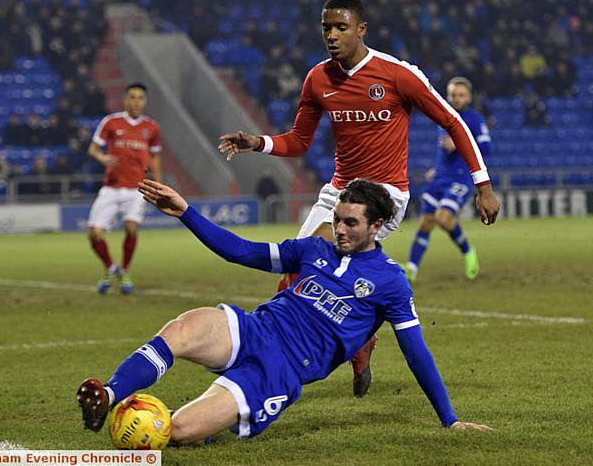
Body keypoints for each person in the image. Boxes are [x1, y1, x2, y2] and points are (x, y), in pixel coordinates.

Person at [217, 0, 500, 397]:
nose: (332, 35)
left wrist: (483, 185)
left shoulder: (398, 75)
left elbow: (453, 122)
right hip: (339, 191)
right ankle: (357, 345)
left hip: (384, 194)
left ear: (361, 29)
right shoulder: (318, 78)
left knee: (323, 264)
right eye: (326, 28)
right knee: (291, 278)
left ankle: (273, 374)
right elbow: (298, 141)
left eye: (341, 28)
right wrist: (257, 142)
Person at [76, 178, 492, 445]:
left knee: (179, 430)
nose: (340, 229)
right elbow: (240, 251)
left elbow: (416, 353)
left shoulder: (391, 281)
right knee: (183, 328)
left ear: (377, 226)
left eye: (350, 223)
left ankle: (187, 421)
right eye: (337, 219)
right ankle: (109, 395)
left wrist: (450, 419)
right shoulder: (311, 249)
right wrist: (186, 211)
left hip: (280, 371)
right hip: (255, 329)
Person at [404, 77, 491, 283]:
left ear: (469, 97)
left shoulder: (475, 119)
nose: (457, 99)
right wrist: (436, 169)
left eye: (461, 95)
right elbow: (444, 150)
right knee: (425, 222)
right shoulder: (443, 115)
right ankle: (412, 268)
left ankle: (468, 251)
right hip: (440, 177)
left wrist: (460, 144)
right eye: (453, 95)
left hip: (460, 179)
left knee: (444, 218)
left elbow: (486, 149)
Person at [86, 83, 162, 294]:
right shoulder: (111, 122)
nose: (136, 101)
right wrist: (102, 158)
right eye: (132, 97)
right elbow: (92, 149)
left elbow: (155, 156)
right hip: (111, 187)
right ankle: (111, 268)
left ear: (145, 101)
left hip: (137, 188)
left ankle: (125, 271)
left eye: (140, 98)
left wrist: (158, 182)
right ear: (125, 99)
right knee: (94, 234)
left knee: (131, 228)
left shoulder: (152, 127)